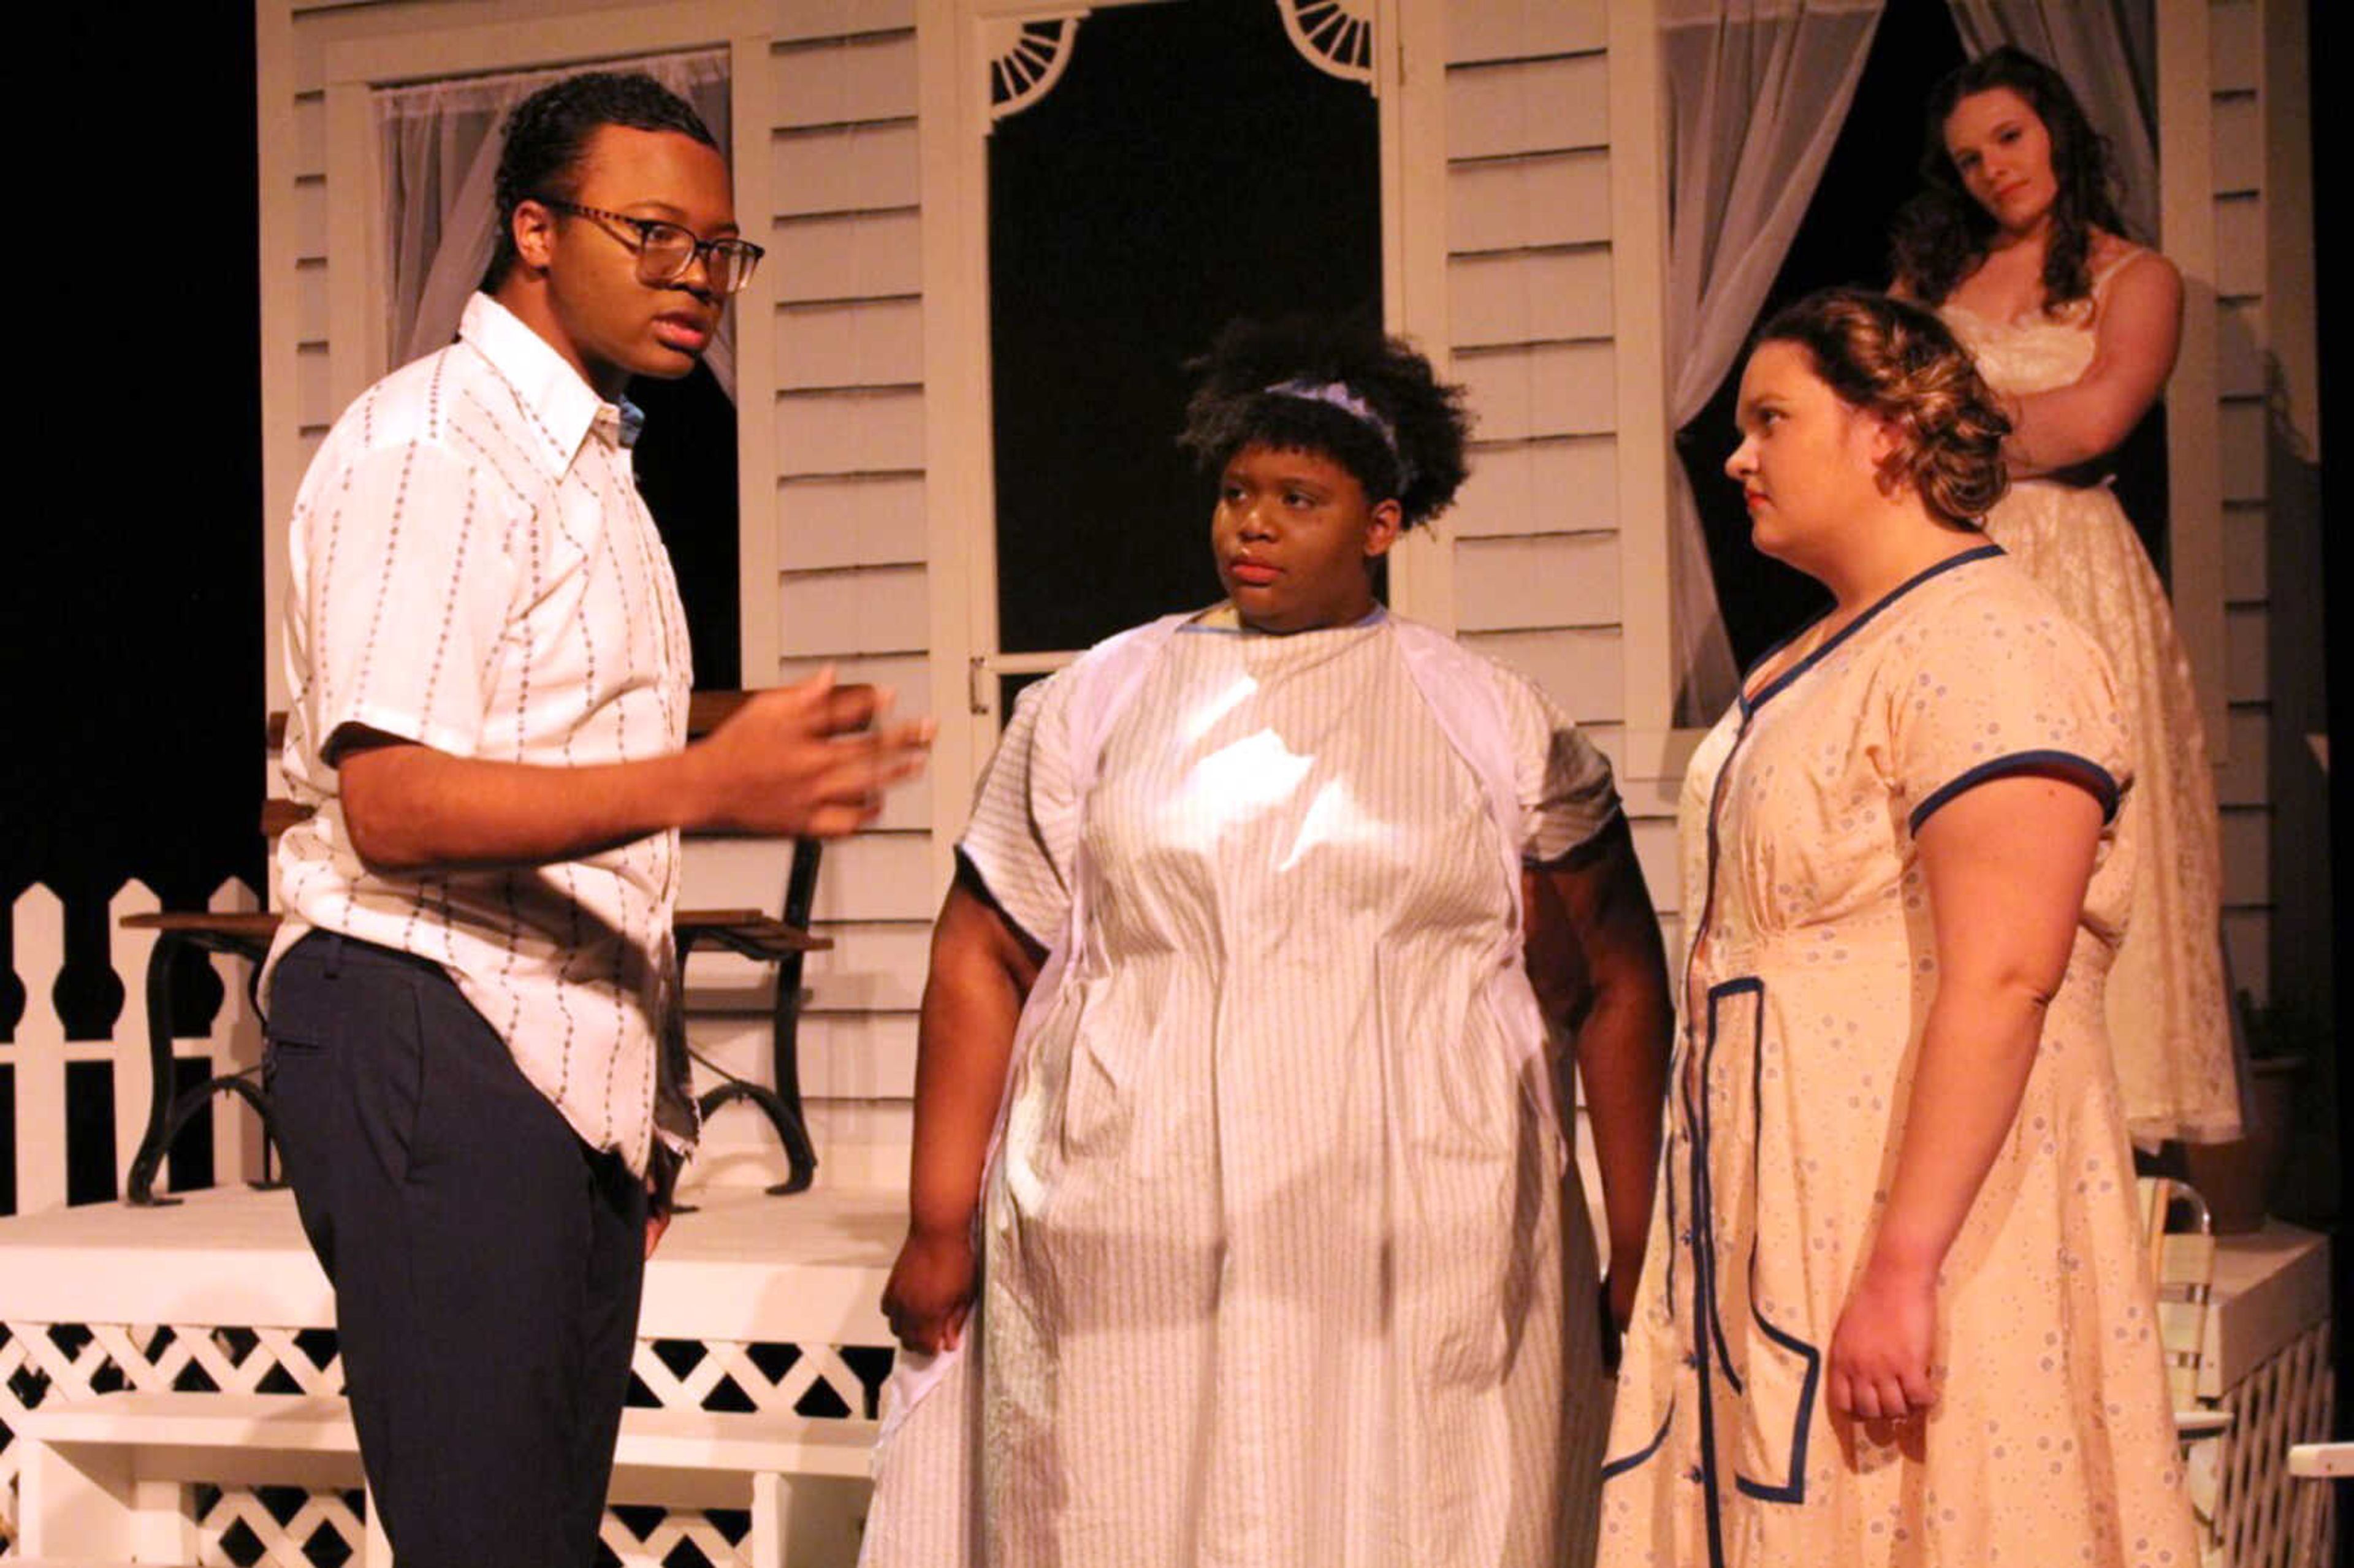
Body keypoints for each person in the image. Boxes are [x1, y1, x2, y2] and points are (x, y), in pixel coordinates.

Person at [859, 318, 1675, 1567]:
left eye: (1300, 497)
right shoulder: (1102, 697)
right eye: (1238, 492)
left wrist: (1640, 1239)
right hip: (1135, 1210)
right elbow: (981, 949)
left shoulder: (1489, 718)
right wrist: (936, 1220)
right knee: (1122, 1504)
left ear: (1382, 525)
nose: (1252, 523)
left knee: (1418, 1511)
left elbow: (1616, 978)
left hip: (1418, 1226)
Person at [261, 72, 931, 1568]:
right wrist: (712, 778)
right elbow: (395, 801)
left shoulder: (592, 467)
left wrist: (640, 1121)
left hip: (544, 1058)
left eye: (722, 249)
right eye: (657, 235)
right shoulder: (436, 445)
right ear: (535, 230)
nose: (698, 278)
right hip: (431, 1018)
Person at [1599, 290, 2200, 1567]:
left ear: (1888, 433)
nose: (1738, 456)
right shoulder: (1815, 656)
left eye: (1772, 419)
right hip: (1782, 1205)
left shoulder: (1991, 645)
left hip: (1914, 1219)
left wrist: (1904, 1266)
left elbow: (2004, 974)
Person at [1891, 45, 2240, 1147]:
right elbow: (1875, 397)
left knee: (2086, 817)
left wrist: (1950, 439)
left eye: (2010, 137)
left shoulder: (2136, 277)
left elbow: (2096, 421)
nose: (1995, 168)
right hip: (1940, 563)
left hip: (2075, 566)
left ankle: (2106, 1118)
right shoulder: (1930, 284)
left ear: (2055, 132)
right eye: (1970, 156)